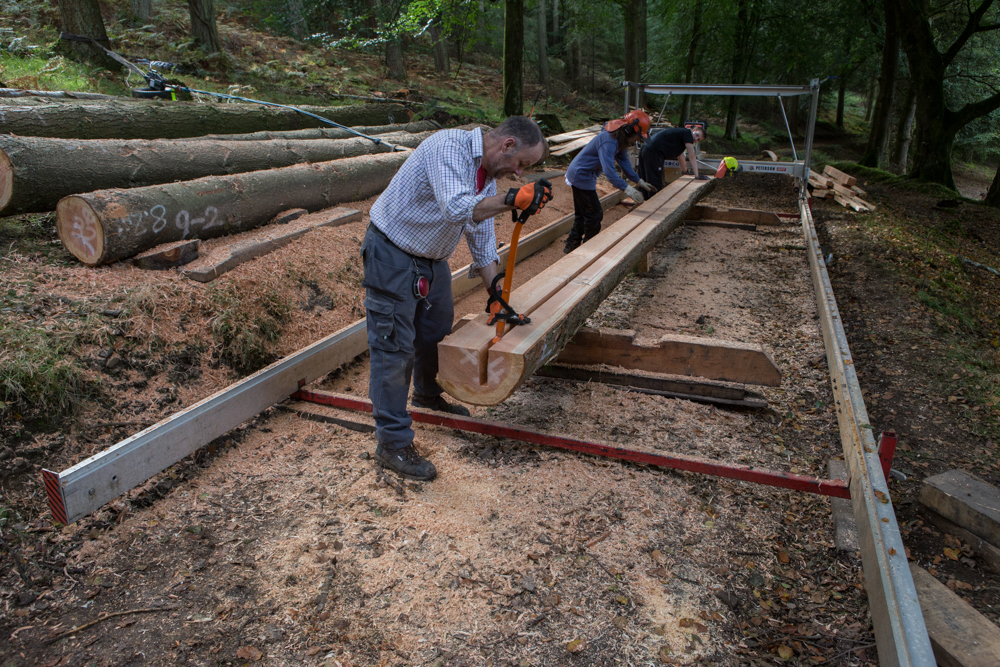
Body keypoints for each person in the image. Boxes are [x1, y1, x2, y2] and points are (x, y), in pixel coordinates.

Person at [361, 116, 551, 481]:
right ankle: (392, 443)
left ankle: (428, 395)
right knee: (394, 349)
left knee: (434, 333)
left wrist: (496, 293)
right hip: (392, 253)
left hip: (432, 259)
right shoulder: (449, 147)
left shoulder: (488, 176)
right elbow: (456, 207)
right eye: (521, 164)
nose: (517, 173)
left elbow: (480, 237)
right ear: (507, 145)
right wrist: (511, 200)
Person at [563, 109, 656, 254]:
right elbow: (609, 171)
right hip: (581, 175)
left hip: (585, 174)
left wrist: (638, 180)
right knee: (594, 215)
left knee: (583, 214)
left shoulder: (620, 139)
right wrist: (627, 189)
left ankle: (571, 246)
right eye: (637, 137)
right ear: (630, 131)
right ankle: (587, 251)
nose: (637, 141)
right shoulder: (609, 141)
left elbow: (624, 161)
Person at [637, 124, 708, 192]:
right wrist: (697, 176)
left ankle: (643, 201)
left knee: (644, 179)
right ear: (694, 130)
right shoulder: (688, 133)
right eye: (697, 135)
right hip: (653, 152)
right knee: (654, 182)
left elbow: (681, 157)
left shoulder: (680, 137)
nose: (695, 138)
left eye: (698, 140)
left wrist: (685, 172)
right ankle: (653, 203)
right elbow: (691, 155)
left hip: (645, 148)